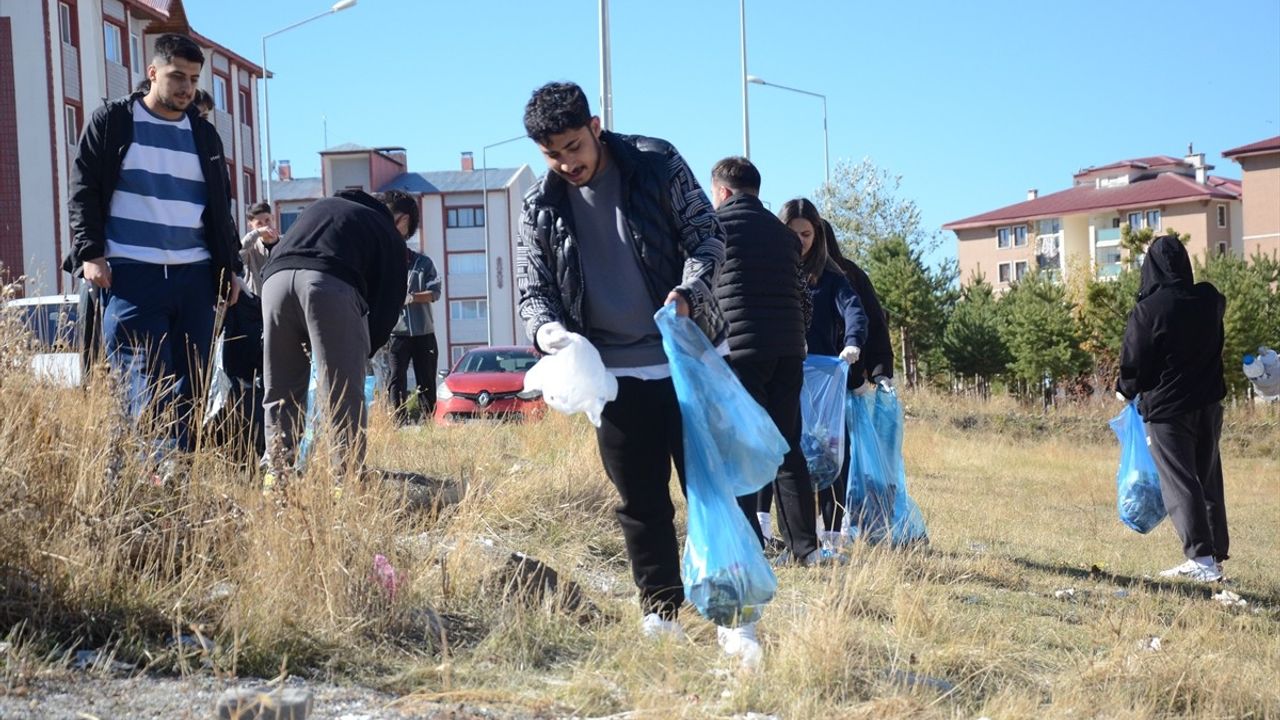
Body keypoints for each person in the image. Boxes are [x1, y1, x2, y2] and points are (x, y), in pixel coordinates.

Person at [516, 82, 736, 652]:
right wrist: (547, 332)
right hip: (612, 378)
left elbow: (707, 237)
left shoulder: (656, 162)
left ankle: (736, 616)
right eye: (552, 154)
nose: (566, 163)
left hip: (686, 358)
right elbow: (532, 286)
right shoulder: (540, 203)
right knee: (640, 502)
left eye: (572, 146)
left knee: (713, 492)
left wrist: (688, 293)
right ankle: (660, 615)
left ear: (594, 125)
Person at [67, 32, 241, 464]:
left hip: (195, 277)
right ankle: (147, 475)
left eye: (194, 79)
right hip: (131, 275)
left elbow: (220, 210)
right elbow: (83, 189)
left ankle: (175, 475)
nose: (186, 88)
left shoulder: (205, 137)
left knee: (190, 384)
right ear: (152, 73)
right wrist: (91, 253)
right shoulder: (112, 122)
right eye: (177, 76)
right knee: (144, 382)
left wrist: (230, 268)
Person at [708, 157, 820, 568]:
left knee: (738, 446)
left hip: (740, 353)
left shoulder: (714, 227)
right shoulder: (784, 235)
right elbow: (804, 300)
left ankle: (747, 544)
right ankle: (806, 548)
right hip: (789, 352)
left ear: (721, 191)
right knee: (786, 448)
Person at [259, 189, 408, 488]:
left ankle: (276, 481)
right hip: (328, 285)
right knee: (341, 393)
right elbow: (390, 303)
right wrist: (362, 349)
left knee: (281, 393)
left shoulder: (322, 207)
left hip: (273, 283)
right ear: (401, 220)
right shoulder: (386, 231)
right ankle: (346, 483)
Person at [1117, 235, 1228, 583]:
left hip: (1167, 409)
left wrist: (1126, 392)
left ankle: (1202, 560)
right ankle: (1215, 555)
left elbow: (1134, 361)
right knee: (1207, 477)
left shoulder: (1149, 310)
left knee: (1180, 481)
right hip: (1209, 403)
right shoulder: (1209, 299)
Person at [764, 199, 867, 541]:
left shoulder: (831, 277)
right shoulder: (773, 270)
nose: (801, 241)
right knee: (774, 447)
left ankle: (832, 535)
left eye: (807, 234)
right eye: (793, 234)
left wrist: (852, 341)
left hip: (823, 385)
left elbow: (854, 310)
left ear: (817, 234)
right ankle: (764, 525)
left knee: (828, 454)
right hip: (781, 374)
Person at [819, 217, 894, 536]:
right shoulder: (790, 273)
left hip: (850, 382)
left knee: (842, 451)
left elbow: (874, 324)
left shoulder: (847, 276)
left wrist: (879, 373)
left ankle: (846, 521)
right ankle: (826, 523)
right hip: (813, 381)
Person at [384, 190, 441, 423]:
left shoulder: (423, 263)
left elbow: (435, 292)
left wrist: (412, 297)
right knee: (396, 379)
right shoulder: (385, 264)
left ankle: (428, 421)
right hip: (397, 333)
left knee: (426, 379)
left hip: (424, 333)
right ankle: (398, 421)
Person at [240, 202, 279, 297]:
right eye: (259, 224)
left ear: (273, 218)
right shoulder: (250, 248)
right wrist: (257, 233)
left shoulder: (285, 244)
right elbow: (239, 253)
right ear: (251, 226)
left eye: (267, 220)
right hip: (257, 301)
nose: (265, 226)